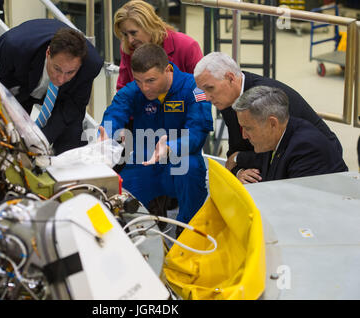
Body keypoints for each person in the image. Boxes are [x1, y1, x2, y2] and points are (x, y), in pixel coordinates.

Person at [98, 43, 213, 224]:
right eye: (138, 81)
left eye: (151, 80)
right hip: (145, 161)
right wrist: (106, 136)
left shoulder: (194, 88)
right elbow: (115, 111)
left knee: (190, 168)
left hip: (180, 160)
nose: (145, 88)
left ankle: (188, 228)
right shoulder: (133, 91)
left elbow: (197, 131)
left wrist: (170, 147)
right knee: (118, 197)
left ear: (167, 69)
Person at [194, 52, 343, 183]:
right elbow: (235, 150)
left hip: (314, 168)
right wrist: (239, 172)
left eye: (210, 88)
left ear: (230, 78)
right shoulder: (227, 99)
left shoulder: (270, 99)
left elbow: (281, 154)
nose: (206, 97)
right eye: (203, 91)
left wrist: (239, 158)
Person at [0, 19, 103, 155]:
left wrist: (40, 142)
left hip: (64, 99)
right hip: (20, 87)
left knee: (70, 142)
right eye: (57, 68)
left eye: (70, 72)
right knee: (6, 137)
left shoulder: (91, 65)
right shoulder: (14, 47)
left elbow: (72, 108)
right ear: (48, 53)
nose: (60, 79)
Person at [232, 86, 347, 182]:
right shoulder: (277, 135)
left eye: (248, 128)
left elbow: (294, 202)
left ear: (272, 123)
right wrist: (236, 162)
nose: (244, 136)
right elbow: (259, 159)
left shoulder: (305, 148)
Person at [114, 0, 203, 91]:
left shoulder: (187, 47)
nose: (130, 40)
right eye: (125, 34)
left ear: (149, 25)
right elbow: (123, 88)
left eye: (133, 33)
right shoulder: (128, 47)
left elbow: (201, 90)